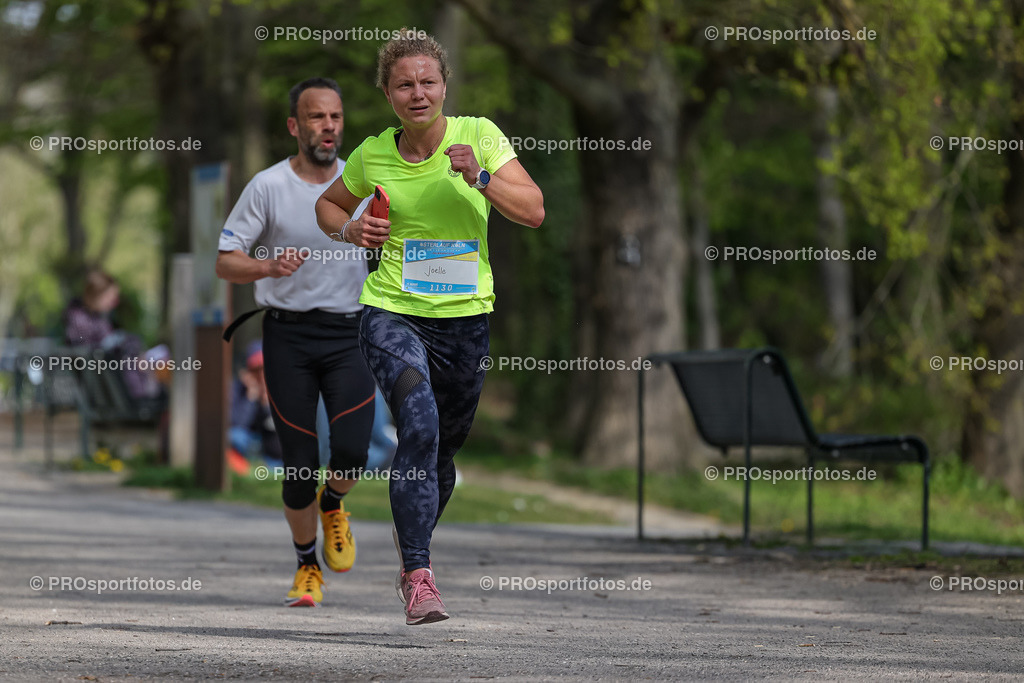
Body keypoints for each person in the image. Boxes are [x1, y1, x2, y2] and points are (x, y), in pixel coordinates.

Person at [315, 32, 544, 625]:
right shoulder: (372, 154)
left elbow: (534, 210)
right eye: (404, 85)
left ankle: (410, 538)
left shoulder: (479, 137)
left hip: (465, 320)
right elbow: (328, 206)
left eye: (427, 82)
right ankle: (419, 575)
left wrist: (482, 178)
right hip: (392, 310)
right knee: (418, 423)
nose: (417, 94)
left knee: (442, 451)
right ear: (387, 94)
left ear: (444, 86)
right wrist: (350, 230)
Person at [216, 77, 376, 608]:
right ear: (294, 126)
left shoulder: (364, 184)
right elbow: (225, 262)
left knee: (352, 450)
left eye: (335, 116)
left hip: (350, 332)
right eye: (316, 117)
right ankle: (307, 566)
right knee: (299, 463)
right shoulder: (267, 187)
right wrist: (266, 266)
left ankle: (334, 504)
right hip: (288, 334)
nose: (328, 126)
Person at [63, 269, 164, 399]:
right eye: (111, 298)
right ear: (96, 295)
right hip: (105, 390)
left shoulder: (96, 319)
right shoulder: (81, 321)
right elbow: (89, 351)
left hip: (109, 386)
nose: (115, 303)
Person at [227, 341, 283, 470]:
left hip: (272, 449)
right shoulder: (239, 389)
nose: (261, 374)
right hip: (249, 443)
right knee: (233, 435)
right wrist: (251, 397)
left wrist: (266, 404)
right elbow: (238, 425)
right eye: (256, 370)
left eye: (265, 368)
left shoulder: (280, 388)